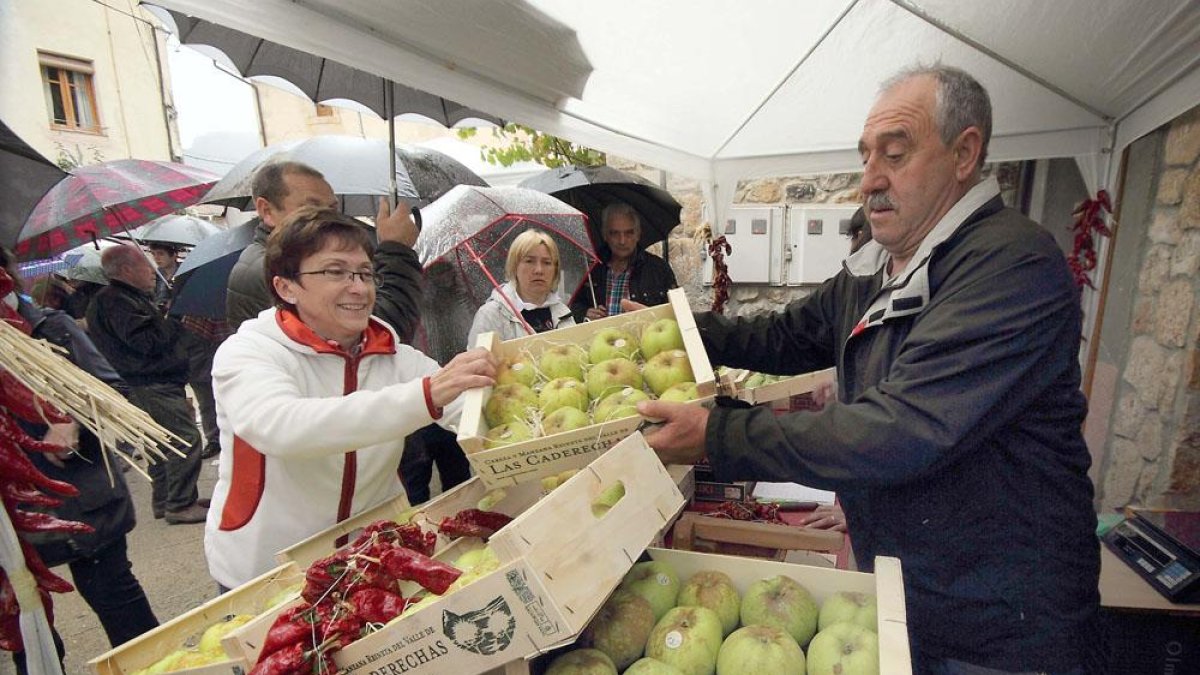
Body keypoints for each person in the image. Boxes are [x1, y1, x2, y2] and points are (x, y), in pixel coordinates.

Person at [639, 65, 1100, 674]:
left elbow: (901, 428)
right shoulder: (881, 264)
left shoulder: (1010, 267)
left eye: (896, 154)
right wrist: (674, 326)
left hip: (997, 626)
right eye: (865, 158)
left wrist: (717, 434)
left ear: (965, 153)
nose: (871, 180)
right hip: (913, 596)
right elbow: (784, 335)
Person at [206, 207, 495, 589]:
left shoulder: (393, 353)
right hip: (269, 574)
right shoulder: (249, 352)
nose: (358, 287)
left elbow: (468, 409)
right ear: (286, 287)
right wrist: (426, 396)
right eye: (335, 272)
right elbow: (282, 428)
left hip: (371, 559)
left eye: (364, 273)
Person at [1, 247, 158, 673]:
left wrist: (72, 421)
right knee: (24, 616)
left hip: (82, 496)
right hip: (15, 511)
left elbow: (113, 393)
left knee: (114, 595)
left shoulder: (49, 329)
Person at [225, 161, 423, 343]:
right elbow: (380, 333)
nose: (327, 219)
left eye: (332, 209)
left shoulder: (299, 257)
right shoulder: (270, 268)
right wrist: (397, 248)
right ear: (267, 210)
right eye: (311, 207)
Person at [86, 244, 207, 525]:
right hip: (149, 382)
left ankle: (166, 500)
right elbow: (147, 343)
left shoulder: (123, 298)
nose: (152, 272)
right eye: (146, 266)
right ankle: (179, 502)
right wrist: (173, 319)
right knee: (183, 440)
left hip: (148, 381)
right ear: (127, 270)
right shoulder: (116, 301)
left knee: (160, 443)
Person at [570, 201, 677, 322]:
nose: (622, 241)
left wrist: (649, 317)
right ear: (605, 235)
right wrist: (584, 314)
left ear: (638, 234)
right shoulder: (589, 268)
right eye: (615, 233)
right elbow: (571, 306)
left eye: (629, 233)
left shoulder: (658, 269)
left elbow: (676, 315)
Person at [468, 228, 575, 344]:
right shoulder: (490, 315)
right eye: (529, 261)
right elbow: (478, 360)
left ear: (555, 270)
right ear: (514, 266)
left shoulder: (562, 311)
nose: (539, 270)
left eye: (547, 263)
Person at [146, 242, 180, 309]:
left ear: (173, 255)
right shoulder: (155, 274)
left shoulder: (184, 273)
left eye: (161, 254)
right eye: (153, 254)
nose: (156, 258)